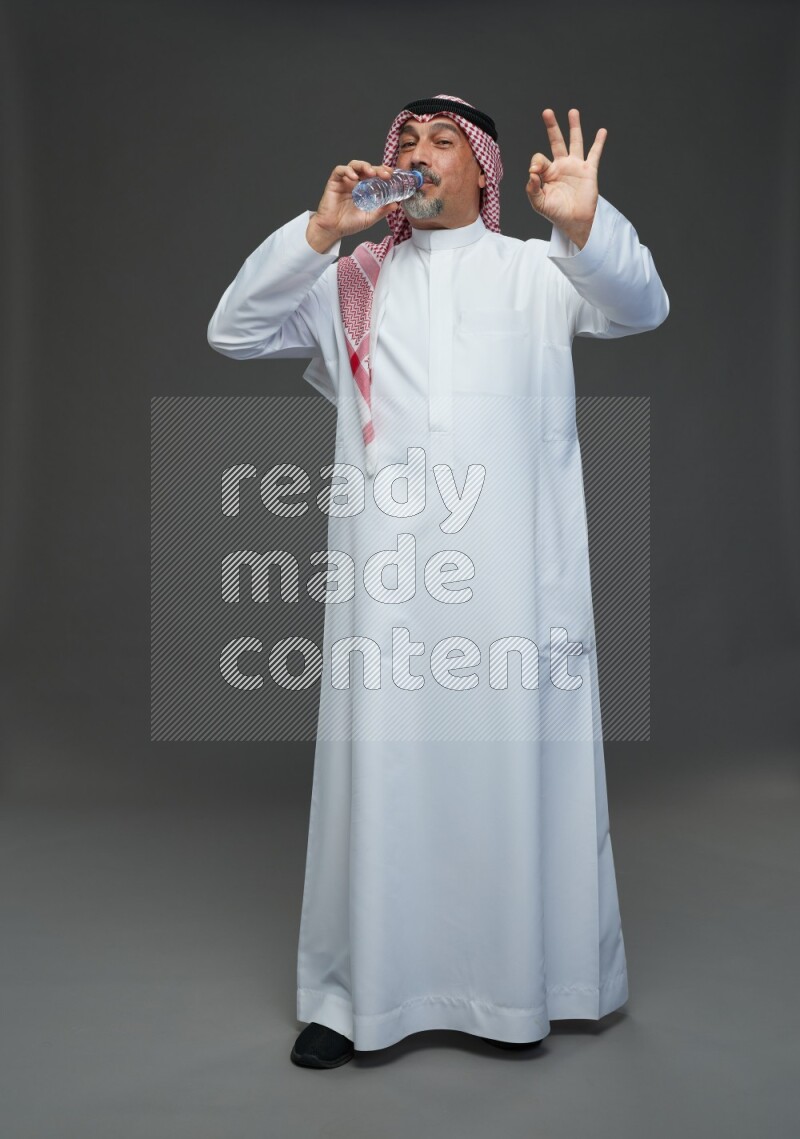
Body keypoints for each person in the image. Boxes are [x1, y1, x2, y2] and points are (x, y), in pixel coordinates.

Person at [207, 95, 669, 1070]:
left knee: (507, 777)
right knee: (382, 775)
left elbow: (640, 306)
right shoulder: (353, 285)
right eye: (405, 139)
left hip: (512, 587)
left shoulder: (536, 273)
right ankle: (352, 995)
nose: (417, 154)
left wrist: (585, 225)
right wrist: (317, 234)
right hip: (390, 592)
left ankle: (518, 991)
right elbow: (235, 330)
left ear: (484, 171)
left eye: (441, 141)